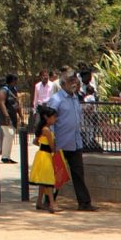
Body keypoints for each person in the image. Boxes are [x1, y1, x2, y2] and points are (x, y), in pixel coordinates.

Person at [44, 70, 95, 212]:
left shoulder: (75, 98)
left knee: (78, 173)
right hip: (60, 143)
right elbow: (49, 120)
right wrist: (51, 140)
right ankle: (49, 201)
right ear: (62, 83)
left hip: (75, 142)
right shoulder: (56, 99)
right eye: (70, 80)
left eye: (74, 80)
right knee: (57, 174)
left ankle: (84, 203)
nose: (74, 83)